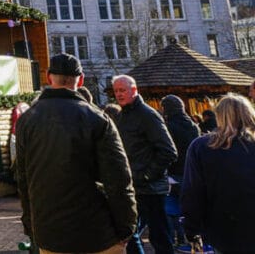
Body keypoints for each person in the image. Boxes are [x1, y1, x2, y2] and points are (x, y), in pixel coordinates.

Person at [16, 54, 136, 254]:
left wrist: (31, 225)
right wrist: (126, 227)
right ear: (80, 80)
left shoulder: (27, 120)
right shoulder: (97, 119)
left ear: (48, 77)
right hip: (98, 232)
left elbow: (23, 178)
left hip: (50, 232)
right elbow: (119, 179)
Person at [180, 93, 255, 254]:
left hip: (222, 227)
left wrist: (191, 229)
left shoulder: (201, 147)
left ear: (219, 115)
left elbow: (193, 191)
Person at [112, 75, 177, 254]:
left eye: (122, 90)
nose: (118, 94)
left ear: (134, 90)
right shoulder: (123, 116)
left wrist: (147, 175)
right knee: (129, 234)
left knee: (160, 237)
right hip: (133, 186)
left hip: (151, 188)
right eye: (116, 91)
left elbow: (169, 151)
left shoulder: (147, 115)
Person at [161, 94, 199, 248]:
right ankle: (188, 240)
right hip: (189, 172)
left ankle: (174, 241)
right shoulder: (193, 126)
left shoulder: (168, 127)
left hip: (173, 172)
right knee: (186, 207)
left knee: (170, 210)